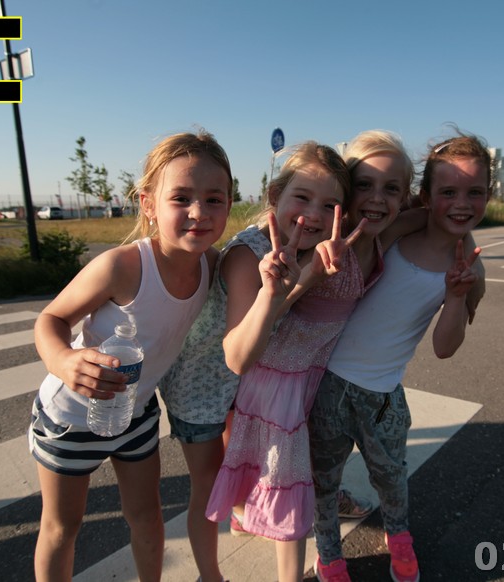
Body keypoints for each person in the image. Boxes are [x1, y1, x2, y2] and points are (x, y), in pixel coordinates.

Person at [27, 131, 233, 582]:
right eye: (181, 197)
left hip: (135, 414)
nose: (199, 212)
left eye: (214, 199)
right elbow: (51, 319)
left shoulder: (213, 264)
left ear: (230, 204)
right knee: (62, 527)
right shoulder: (122, 266)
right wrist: (63, 361)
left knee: (147, 517)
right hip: (70, 416)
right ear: (148, 204)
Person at [309, 131, 490, 582]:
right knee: (322, 479)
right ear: (425, 196)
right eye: (448, 192)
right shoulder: (394, 230)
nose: (461, 203)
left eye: (475, 192)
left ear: (489, 195)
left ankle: (399, 535)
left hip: (383, 396)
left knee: (391, 477)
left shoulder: (470, 267)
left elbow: (444, 348)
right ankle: (329, 554)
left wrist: (455, 296)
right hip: (326, 384)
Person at [204, 142, 372, 582]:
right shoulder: (249, 254)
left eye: (330, 205)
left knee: (274, 476)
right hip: (259, 387)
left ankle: (244, 515)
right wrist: (304, 281)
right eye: (302, 197)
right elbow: (240, 357)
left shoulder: (324, 247)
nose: (313, 215)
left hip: (299, 382)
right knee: (289, 502)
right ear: (275, 196)